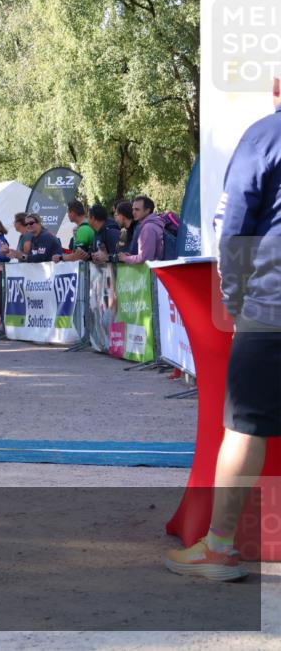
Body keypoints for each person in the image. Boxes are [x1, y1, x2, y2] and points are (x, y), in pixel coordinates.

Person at [165, 85, 281, 582]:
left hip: (270, 308)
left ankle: (219, 549)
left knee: (244, 428)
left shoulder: (264, 135)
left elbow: (232, 226)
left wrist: (233, 298)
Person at [118, 196, 164, 264]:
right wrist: (131, 257)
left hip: (152, 272)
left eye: (137, 209)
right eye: (133, 209)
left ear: (147, 210)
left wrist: (126, 258)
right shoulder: (151, 224)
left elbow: (146, 259)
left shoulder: (148, 228)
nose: (133, 212)